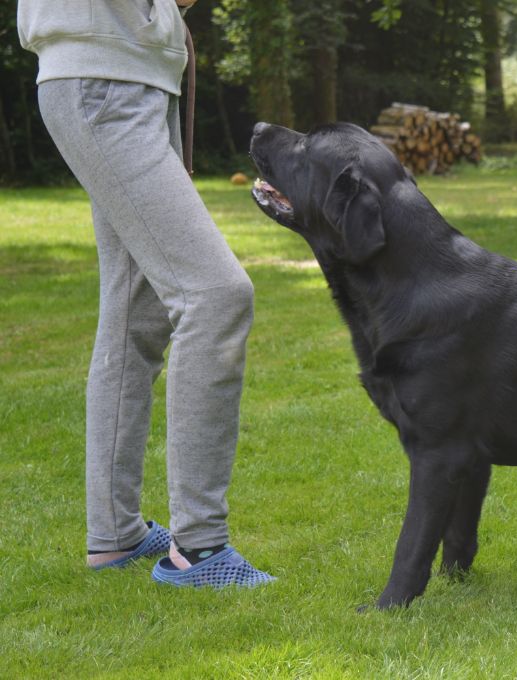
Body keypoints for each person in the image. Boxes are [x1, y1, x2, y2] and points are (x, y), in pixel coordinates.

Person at [17, 0, 273, 587]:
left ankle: (115, 535)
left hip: (129, 79)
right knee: (217, 295)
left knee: (138, 316)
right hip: (103, 83)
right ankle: (200, 550)